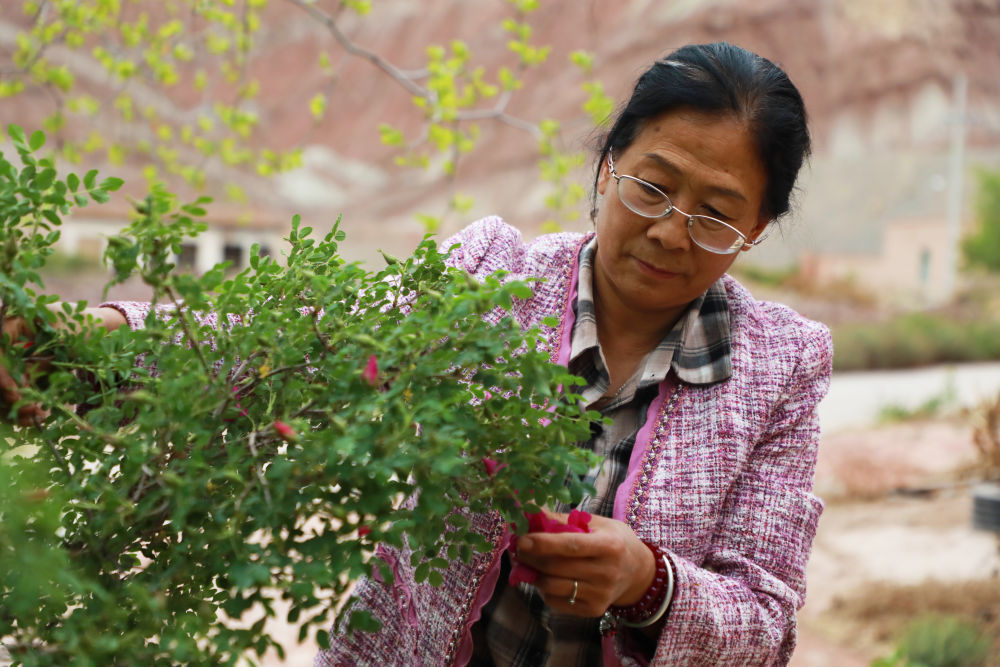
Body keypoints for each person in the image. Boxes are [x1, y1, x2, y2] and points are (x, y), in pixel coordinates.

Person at [2, 41, 831, 666]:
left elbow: (766, 622)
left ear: (755, 229)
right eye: (652, 185)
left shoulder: (784, 367)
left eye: (716, 213)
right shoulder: (493, 275)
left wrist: (648, 580)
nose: (667, 230)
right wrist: (90, 341)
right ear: (609, 164)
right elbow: (312, 344)